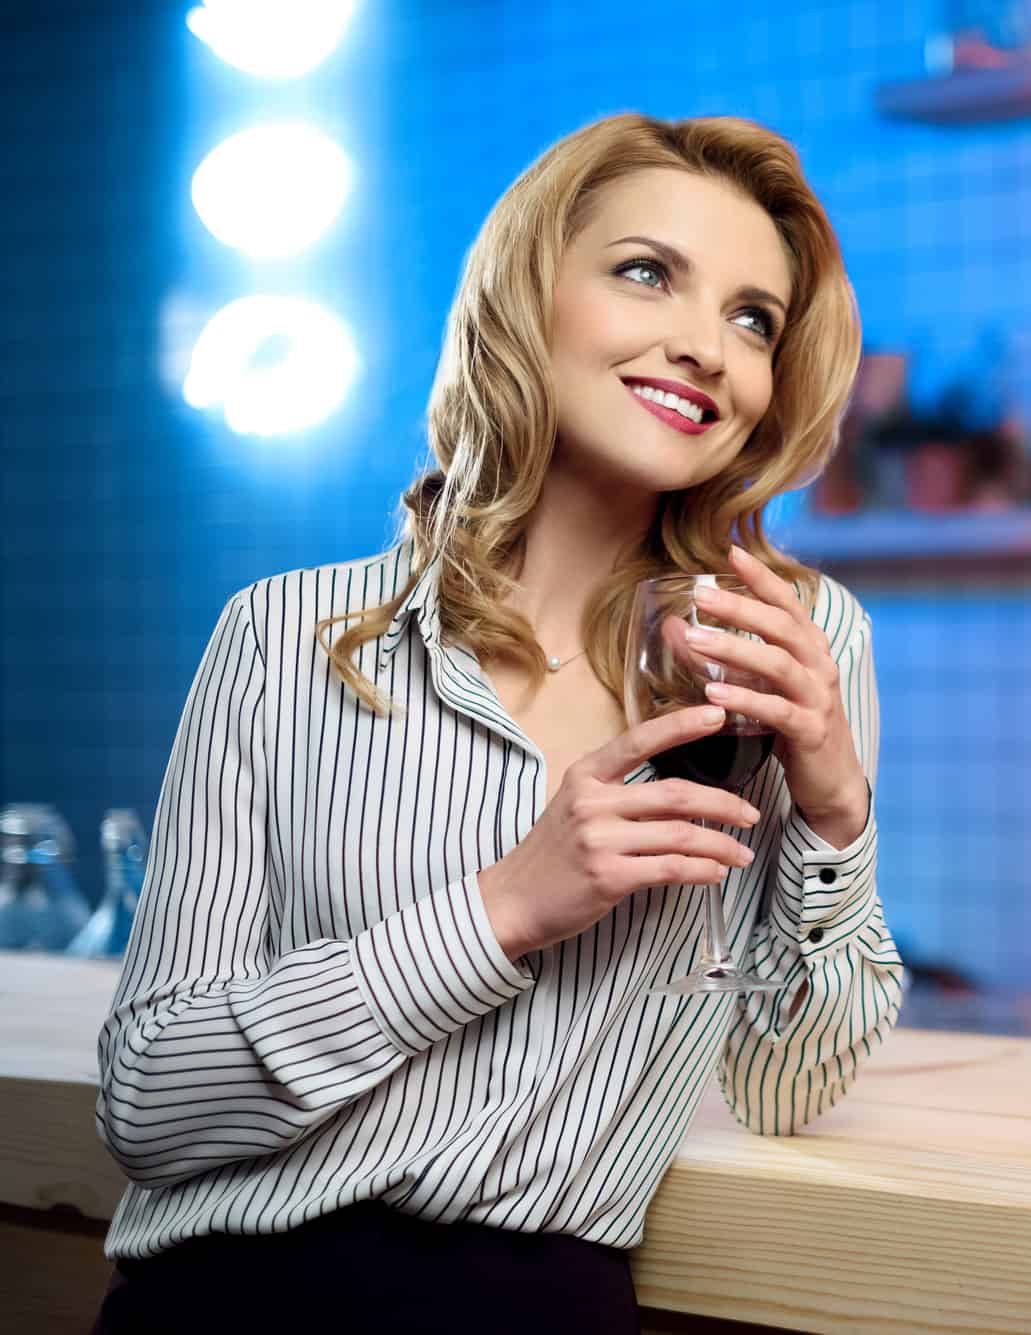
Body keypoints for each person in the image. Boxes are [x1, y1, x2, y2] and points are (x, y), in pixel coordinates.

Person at [92, 113, 901, 1333]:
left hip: (530, 1305)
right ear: (529, 292)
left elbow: (788, 1083)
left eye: (752, 320)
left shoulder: (787, 641)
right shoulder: (284, 636)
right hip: (216, 1301)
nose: (706, 349)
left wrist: (835, 808)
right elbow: (149, 1102)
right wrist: (503, 910)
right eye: (646, 273)